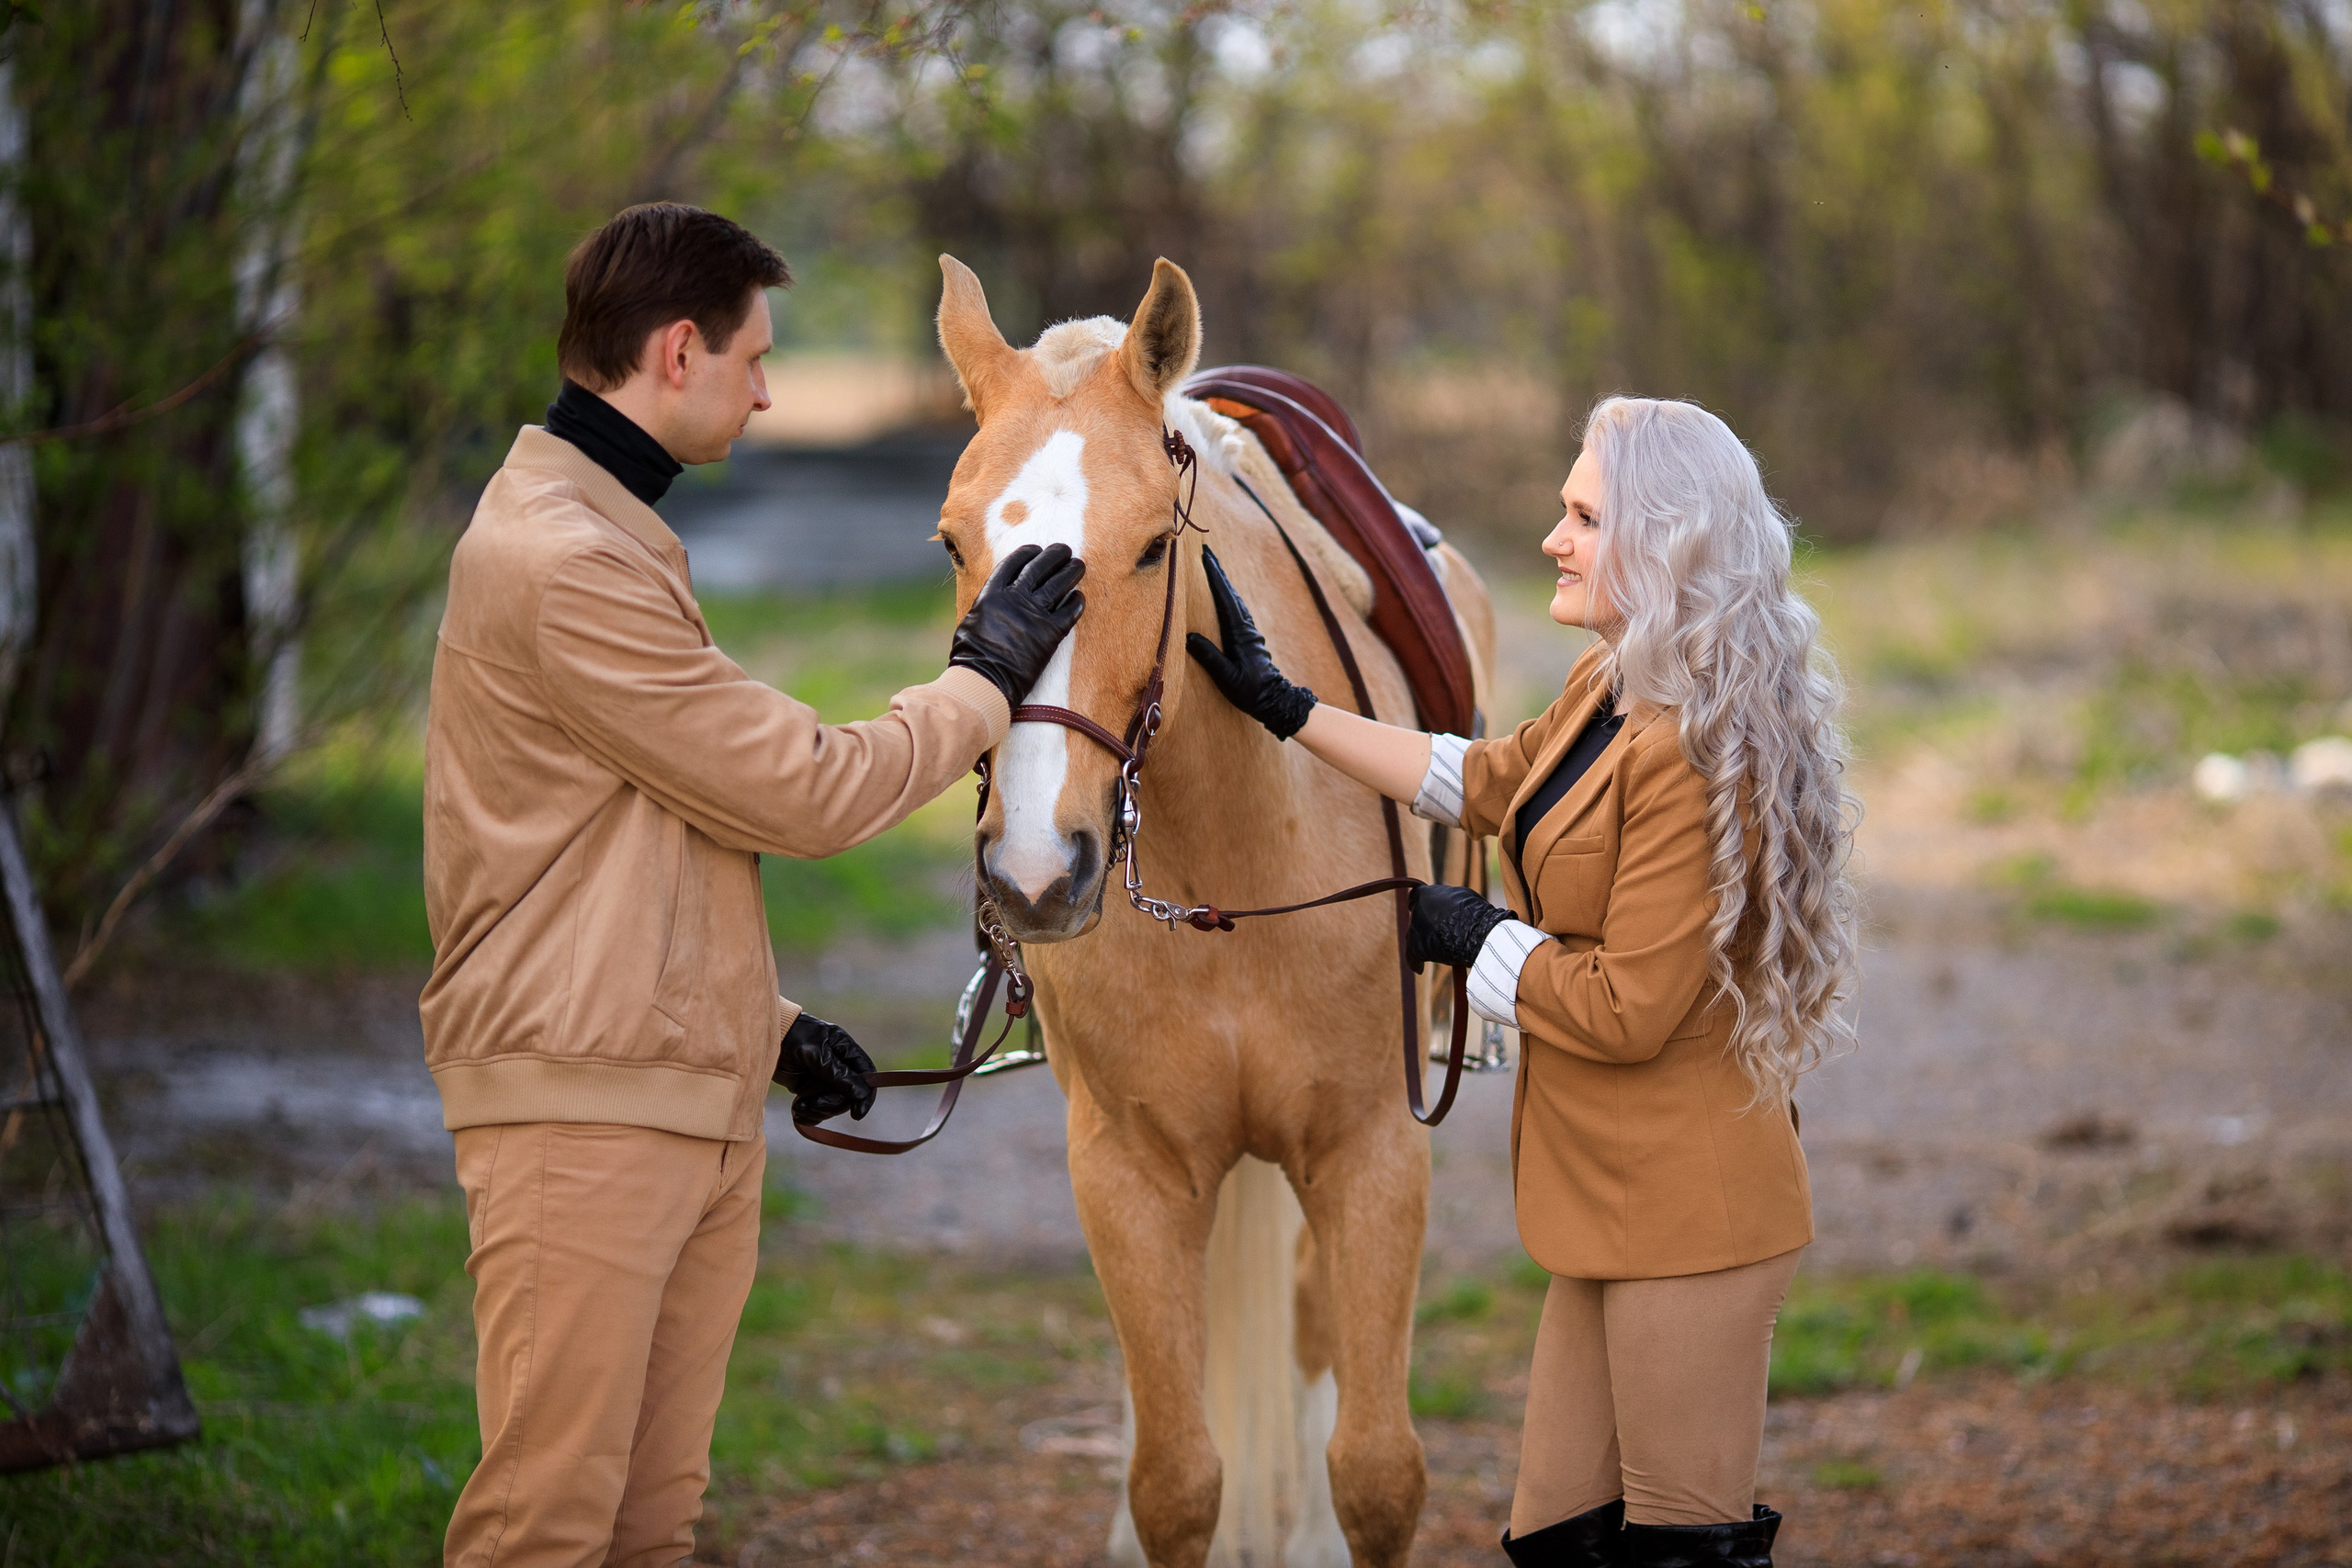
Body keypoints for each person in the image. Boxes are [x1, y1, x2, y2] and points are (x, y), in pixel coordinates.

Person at [421, 202, 1085, 1567]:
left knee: (653, 1523)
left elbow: (622, 840)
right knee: (545, 1524)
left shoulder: (604, 531)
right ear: (677, 352)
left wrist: (765, 1026)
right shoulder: (565, 560)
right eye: (754, 357)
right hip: (580, 1112)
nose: (771, 386)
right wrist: (983, 675)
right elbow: (800, 788)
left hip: (656, 1089)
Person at [1188, 395, 1858, 1568]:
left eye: (1582, 516)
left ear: (1663, 540)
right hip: (1605, 1197)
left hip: (1692, 1209)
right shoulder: (1618, 686)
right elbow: (1488, 779)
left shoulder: (1694, 752)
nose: (1552, 538)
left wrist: (1476, 934)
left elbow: (1626, 1008)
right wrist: (1293, 713)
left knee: (1674, 1556)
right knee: (1556, 1542)